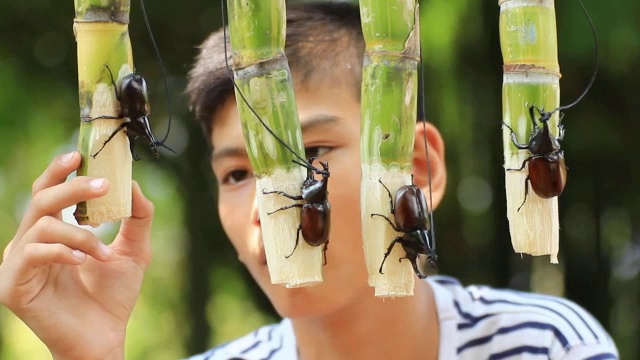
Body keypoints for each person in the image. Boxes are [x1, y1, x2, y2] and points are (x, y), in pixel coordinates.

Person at [0, 2, 618, 359]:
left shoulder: (550, 345)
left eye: (313, 150)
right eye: (237, 172)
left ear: (418, 170)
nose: (273, 203)